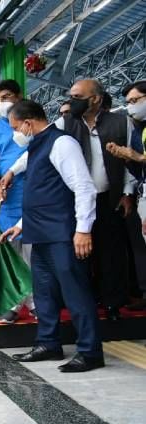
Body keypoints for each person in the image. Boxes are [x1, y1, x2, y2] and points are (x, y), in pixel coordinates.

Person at [0, 100, 103, 373]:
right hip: (40, 233)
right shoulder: (37, 145)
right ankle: (48, 343)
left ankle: (90, 351)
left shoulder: (62, 143)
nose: (15, 133)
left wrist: (83, 229)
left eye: (15, 128)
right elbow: (44, 192)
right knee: (44, 293)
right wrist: (21, 225)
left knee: (75, 292)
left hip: (63, 233)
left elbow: (83, 188)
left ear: (28, 123)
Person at [56, 79, 134, 320]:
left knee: (111, 254)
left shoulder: (122, 122)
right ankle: (85, 303)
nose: (72, 101)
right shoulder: (64, 123)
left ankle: (112, 304)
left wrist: (128, 193)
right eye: (71, 96)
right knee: (79, 254)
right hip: (74, 202)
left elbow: (129, 162)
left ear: (96, 99)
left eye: (78, 96)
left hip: (109, 199)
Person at [0, 80, 35, 324]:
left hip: (31, 191)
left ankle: (37, 302)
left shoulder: (31, 122)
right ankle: (13, 303)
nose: (2, 103)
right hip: (3, 198)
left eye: (7, 96)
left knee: (34, 252)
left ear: (19, 96)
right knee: (9, 252)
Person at [106, 80, 146, 306]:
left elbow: (140, 158)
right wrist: (125, 156)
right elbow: (136, 167)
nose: (131, 106)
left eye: (135, 100)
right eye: (128, 102)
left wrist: (137, 156)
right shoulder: (138, 129)